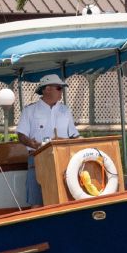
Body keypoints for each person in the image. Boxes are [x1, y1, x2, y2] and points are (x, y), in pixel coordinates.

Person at [16, 73, 79, 206]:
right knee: (36, 201)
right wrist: (31, 143)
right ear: (47, 89)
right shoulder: (30, 111)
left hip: (64, 160)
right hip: (38, 159)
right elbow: (21, 135)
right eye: (59, 88)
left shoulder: (65, 110)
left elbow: (74, 135)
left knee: (64, 200)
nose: (62, 91)